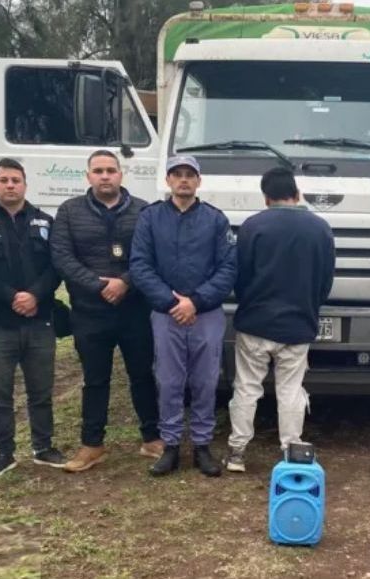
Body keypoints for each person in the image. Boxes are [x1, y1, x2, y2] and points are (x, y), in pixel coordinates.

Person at [50, 150, 162, 473]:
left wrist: (126, 282)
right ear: (88, 176)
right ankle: (92, 444)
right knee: (95, 379)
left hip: (135, 310)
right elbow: (62, 257)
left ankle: (152, 438)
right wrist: (99, 285)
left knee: (142, 375)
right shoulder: (69, 211)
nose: (105, 176)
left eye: (110, 170)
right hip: (89, 311)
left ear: (120, 174)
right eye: (98, 170)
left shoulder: (144, 210)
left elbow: (152, 256)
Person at [130, 155, 236, 477]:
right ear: (168, 180)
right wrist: (170, 301)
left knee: (205, 381)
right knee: (169, 380)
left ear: (199, 181)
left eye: (190, 175)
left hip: (206, 314)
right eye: (177, 174)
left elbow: (228, 268)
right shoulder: (150, 219)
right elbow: (140, 265)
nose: (184, 180)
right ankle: (172, 445)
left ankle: (202, 446)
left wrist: (197, 301)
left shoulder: (215, 220)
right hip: (166, 314)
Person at [225, 167, 334, 473]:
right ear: (296, 193)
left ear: (266, 196)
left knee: (246, 388)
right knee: (291, 390)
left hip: (255, 322)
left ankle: (237, 451)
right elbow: (325, 281)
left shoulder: (252, 226)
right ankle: (291, 450)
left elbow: (240, 276)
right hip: (298, 325)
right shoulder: (320, 228)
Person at [0, 158, 64, 478]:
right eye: (3, 180)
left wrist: (35, 294)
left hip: (39, 321)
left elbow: (56, 267)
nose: (10, 185)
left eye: (15, 180)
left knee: (41, 390)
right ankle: (3, 453)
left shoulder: (45, 221)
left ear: (25, 184)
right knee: (0, 394)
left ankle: (43, 446)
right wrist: (12, 297)